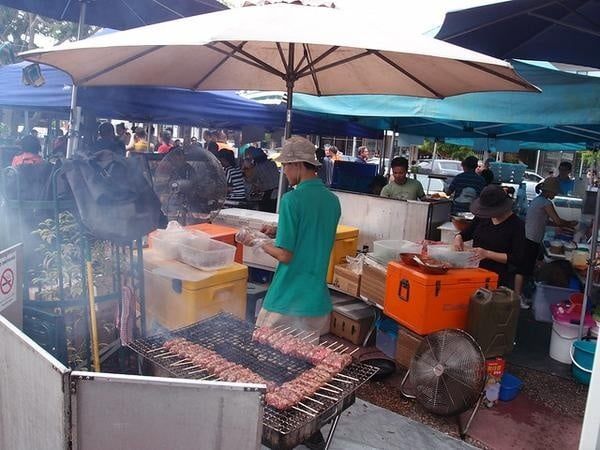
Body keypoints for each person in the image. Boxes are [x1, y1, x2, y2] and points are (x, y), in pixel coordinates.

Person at [244, 136, 340, 450]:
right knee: (302, 372)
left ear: (298, 164)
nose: (285, 172)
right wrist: (275, 231)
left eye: (286, 166)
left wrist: (256, 242)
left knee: (267, 364)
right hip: (315, 303)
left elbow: (286, 254)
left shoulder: (292, 200)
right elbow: (311, 235)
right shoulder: (331, 200)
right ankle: (307, 430)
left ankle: (268, 428)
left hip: (286, 300)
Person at [517, 177, 578, 308]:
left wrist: (561, 225)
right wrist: (570, 223)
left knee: (526, 268)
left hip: (529, 236)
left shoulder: (537, 200)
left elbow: (545, 220)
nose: (555, 194)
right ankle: (517, 297)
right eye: (554, 192)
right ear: (549, 191)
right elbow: (558, 221)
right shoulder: (545, 203)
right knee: (523, 269)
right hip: (530, 238)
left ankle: (521, 295)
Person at [454, 185, 526, 289]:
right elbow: (466, 233)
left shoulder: (517, 226)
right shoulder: (483, 217)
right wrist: (458, 238)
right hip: (474, 272)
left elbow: (517, 258)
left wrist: (487, 254)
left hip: (497, 278)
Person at [246, 146, 280, 213]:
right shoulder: (272, 163)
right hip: (279, 191)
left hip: (269, 193)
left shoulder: (258, 168)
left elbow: (251, 179)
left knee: (266, 211)